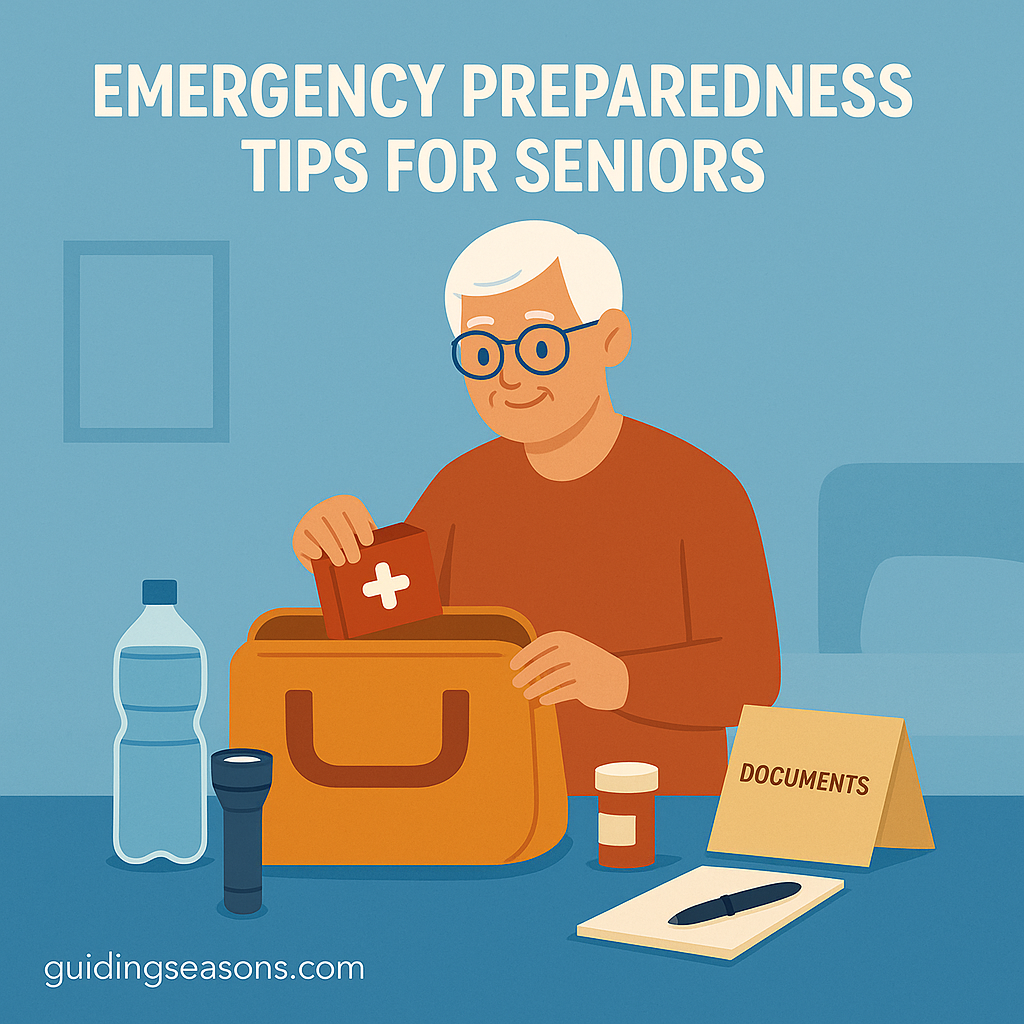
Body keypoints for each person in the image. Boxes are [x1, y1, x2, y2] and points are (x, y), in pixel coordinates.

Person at [292, 220, 780, 796]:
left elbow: (752, 677)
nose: (510, 375)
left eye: (540, 346)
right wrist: (338, 555)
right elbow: (403, 650)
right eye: (481, 352)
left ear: (610, 340)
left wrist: (620, 679)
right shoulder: (458, 490)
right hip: (486, 807)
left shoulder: (700, 490)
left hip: (660, 814)